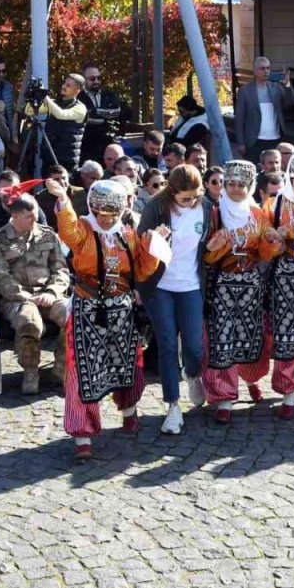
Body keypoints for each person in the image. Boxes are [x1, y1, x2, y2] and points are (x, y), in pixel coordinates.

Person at [46, 178, 165, 460]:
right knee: (82, 371)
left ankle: (129, 410)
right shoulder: (84, 229)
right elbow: (68, 233)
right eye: (101, 214)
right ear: (93, 209)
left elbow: (143, 270)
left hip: (122, 310)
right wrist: (63, 198)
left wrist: (153, 246)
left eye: (112, 214)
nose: (106, 219)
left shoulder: (129, 233)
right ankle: (82, 434)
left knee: (127, 364)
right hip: (88, 309)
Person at [243, 154, 294, 419]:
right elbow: (261, 244)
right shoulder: (274, 204)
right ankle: (288, 392)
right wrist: (273, 240)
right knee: (285, 334)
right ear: (290, 177)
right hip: (283, 279)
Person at [136, 164, 214, 435]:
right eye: (184, 198)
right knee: (167, 344)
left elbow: (207, 242)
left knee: (194, 346)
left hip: (191, 284)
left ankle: (192, 374)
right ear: (172, 192)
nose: (191, 202)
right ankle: (172, 406)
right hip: (160, 286)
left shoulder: (205, 207)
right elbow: (139, 249)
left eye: (195, 196)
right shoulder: (155, 208)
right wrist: (152, 241)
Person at [199, 160, 269, 423]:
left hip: (251, 284)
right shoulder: (214, 213)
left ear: (250, 186)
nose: (236, 189)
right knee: (221, 340)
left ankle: (250, 379)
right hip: (221, 285)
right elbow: (205, 257)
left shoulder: (259, 214)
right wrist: (216, 247)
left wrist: (271, 243)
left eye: (242, 184)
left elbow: (264, 254)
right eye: (231, 184)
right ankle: (224, 397)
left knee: (250, 337)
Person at [0, 195, 70, 394]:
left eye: (35, 216)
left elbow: (61, 270)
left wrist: (51, 291)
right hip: (17, 298)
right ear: (14, 216)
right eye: (29, 217)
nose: (35, 220)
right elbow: (1, 277)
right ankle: (31, 370)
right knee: (29, 322)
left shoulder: (47, 235)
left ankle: (61, 365)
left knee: (74, 316)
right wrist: (25, 296)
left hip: (50, 294)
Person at [233, 56, 294, 162]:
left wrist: (287, 85)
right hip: (254, 140)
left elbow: (291, 104)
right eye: (262, 68)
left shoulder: (276, 87)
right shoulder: (246, 91)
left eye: (268, 68)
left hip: (275, 138)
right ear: (255, 71)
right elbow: (240, 118)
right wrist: (241, 143)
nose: (266, 71)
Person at [36, 73, 88, 175]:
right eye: (64, 83)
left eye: (68, 85)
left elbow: (61, 114)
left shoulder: (81, 108)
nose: (64, 86)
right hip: (49, 157)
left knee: (64, 189)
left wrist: (45, 97)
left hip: (66, 160)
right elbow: (30, 111)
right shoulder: (54, 104)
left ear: (77, 90)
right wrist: (34, 99)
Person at [78, 64, 128, 165]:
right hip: (87, 148)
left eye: (99, 78)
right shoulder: (78, 98)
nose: (96, 81)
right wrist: (105, 115)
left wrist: (95, 113)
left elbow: (120, 113)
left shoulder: (109, 95)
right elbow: (84, 117)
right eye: (92, 78)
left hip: (109, 146)